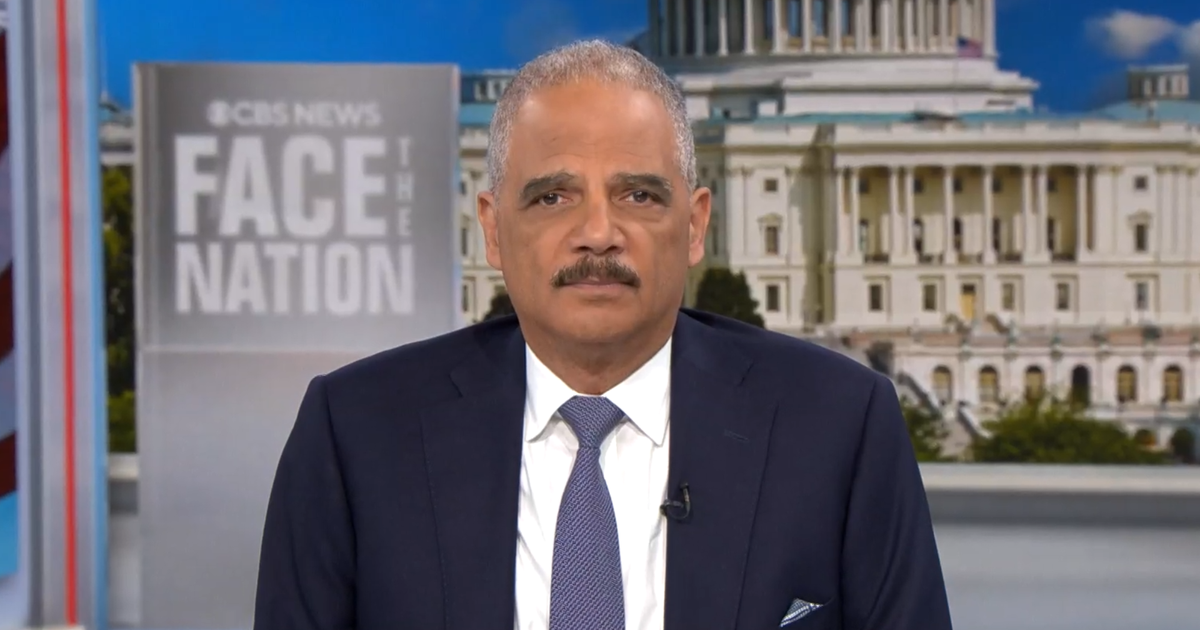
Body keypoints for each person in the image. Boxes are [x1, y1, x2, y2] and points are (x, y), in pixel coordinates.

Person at [253, 39, 952, 630]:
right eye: (553, 196)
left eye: (638, 195)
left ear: (695, 224)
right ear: (493, 228)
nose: (597, 234)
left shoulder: (839, 425)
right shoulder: (358, 432)